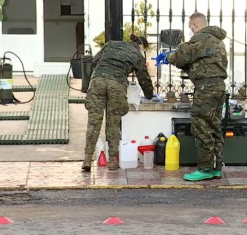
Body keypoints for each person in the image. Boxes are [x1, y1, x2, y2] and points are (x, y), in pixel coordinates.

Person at [166, 12, 228, 181]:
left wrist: (168, 57)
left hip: (205, 88)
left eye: (190, 27)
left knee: (201, 127)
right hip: (219, 87)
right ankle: (216, 168)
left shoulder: (199, 39)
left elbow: (179, 57)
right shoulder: (218, 40)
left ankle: (205, 169)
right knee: (215, 126)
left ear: (194, 25)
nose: (191, 31)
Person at [82, 34, 154, 171]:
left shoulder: (111, 44)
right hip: (116, 84)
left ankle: (87, 158)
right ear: (141, 46)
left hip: (97, 81)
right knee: (113, 122)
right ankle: (113, 161)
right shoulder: (137, 54)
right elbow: (143, 78)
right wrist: (149, 95)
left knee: (93, 122)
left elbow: (94, 60)